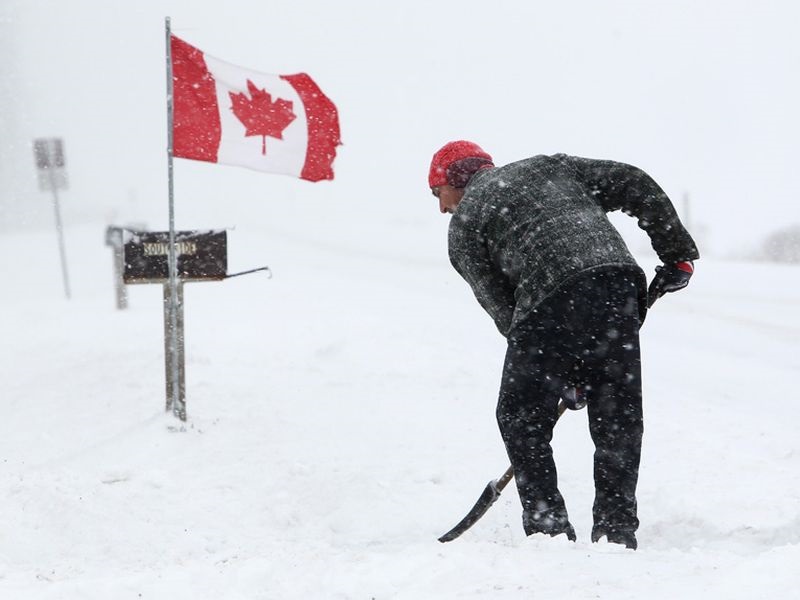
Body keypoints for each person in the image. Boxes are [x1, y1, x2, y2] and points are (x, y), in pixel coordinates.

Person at [428, 140, 699, 550]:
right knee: (616, 414)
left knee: (520, 415)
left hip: (550, 298)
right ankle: (616, 529)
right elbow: (632, 181)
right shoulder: (548, 167)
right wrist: (676, 251)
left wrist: (559, 375)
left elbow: (505, 311)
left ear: (454, 181)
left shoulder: (465, 227)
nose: (442, 207)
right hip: (618, 280)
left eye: (438, 194)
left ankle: (548, 528)